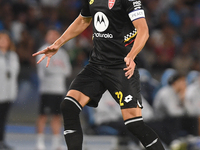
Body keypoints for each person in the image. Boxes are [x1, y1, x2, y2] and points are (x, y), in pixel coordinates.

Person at [32, 0, 165, 149]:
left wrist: (132, 56)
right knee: (69, 106)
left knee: (134, 124)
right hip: (96, 65)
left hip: (121, 67)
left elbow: (143, 30)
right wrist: (58, 43)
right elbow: (83, 20)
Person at [35, 29, 72, 150]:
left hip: (59, 89)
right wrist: (58, 69)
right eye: (50, 35)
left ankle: (56, 143)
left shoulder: (63, 53)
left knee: (57, 116)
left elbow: (68, 71)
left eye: (55, 35)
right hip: (47, 89)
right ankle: (39, 142)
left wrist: (56, 68)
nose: (53, 37)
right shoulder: (43, 50)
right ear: (46, 37)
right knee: (43, 116)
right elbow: (45, 70)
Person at [153, 73, 186, 145]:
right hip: (160, 124)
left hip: (167, 122)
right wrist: (184, 110)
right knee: (178, 118)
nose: (185, 84)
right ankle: (173, 142)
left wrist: (183, 99)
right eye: (183, 81)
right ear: (176, 82)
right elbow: (173, 112)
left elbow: (193, 111)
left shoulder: (176, 93)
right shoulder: (166, 92)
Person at [0, 31, 20, 150]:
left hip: (8, 93)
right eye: (1, 39)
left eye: (5, 40)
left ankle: (1, 141)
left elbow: (14, 71)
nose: (3, 42)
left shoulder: (12, 55)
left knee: (3, 119)